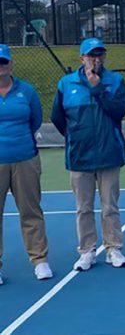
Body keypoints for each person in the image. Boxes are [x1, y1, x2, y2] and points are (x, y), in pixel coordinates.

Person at [51, 38, 125, 271]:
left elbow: (119, 110)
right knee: (83, 207)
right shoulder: (67, 84)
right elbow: (57, 117)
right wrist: (75, 136)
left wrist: (97, 89)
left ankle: (113, 248)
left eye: (100, 54)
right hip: (80, 156)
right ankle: (87, 251)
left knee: (110, 206)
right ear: (82, 58)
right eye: (91, 55)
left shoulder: (115, 81)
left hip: (109, 154)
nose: (96, 59)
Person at [0, 45, 53, 284]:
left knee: (31, 211)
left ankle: (39, 260)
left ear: (10, 64)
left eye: (4, 61)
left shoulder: (27, 91)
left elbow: (35, 120)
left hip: (25, 159)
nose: (0, 66)